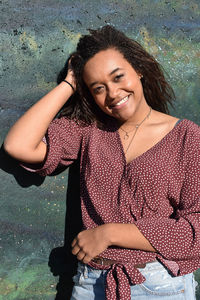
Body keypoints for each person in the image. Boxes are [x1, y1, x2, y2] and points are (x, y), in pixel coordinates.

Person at [4, 25, 200, 300]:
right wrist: (70, 83)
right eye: (98, 88)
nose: (113, 93)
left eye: (118, 77)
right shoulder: (87, 130)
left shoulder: (187, 137)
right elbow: (18, 145)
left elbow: (196, 232)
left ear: (138, 69)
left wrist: (109, 234)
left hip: (160, 284)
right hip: (91, 283)